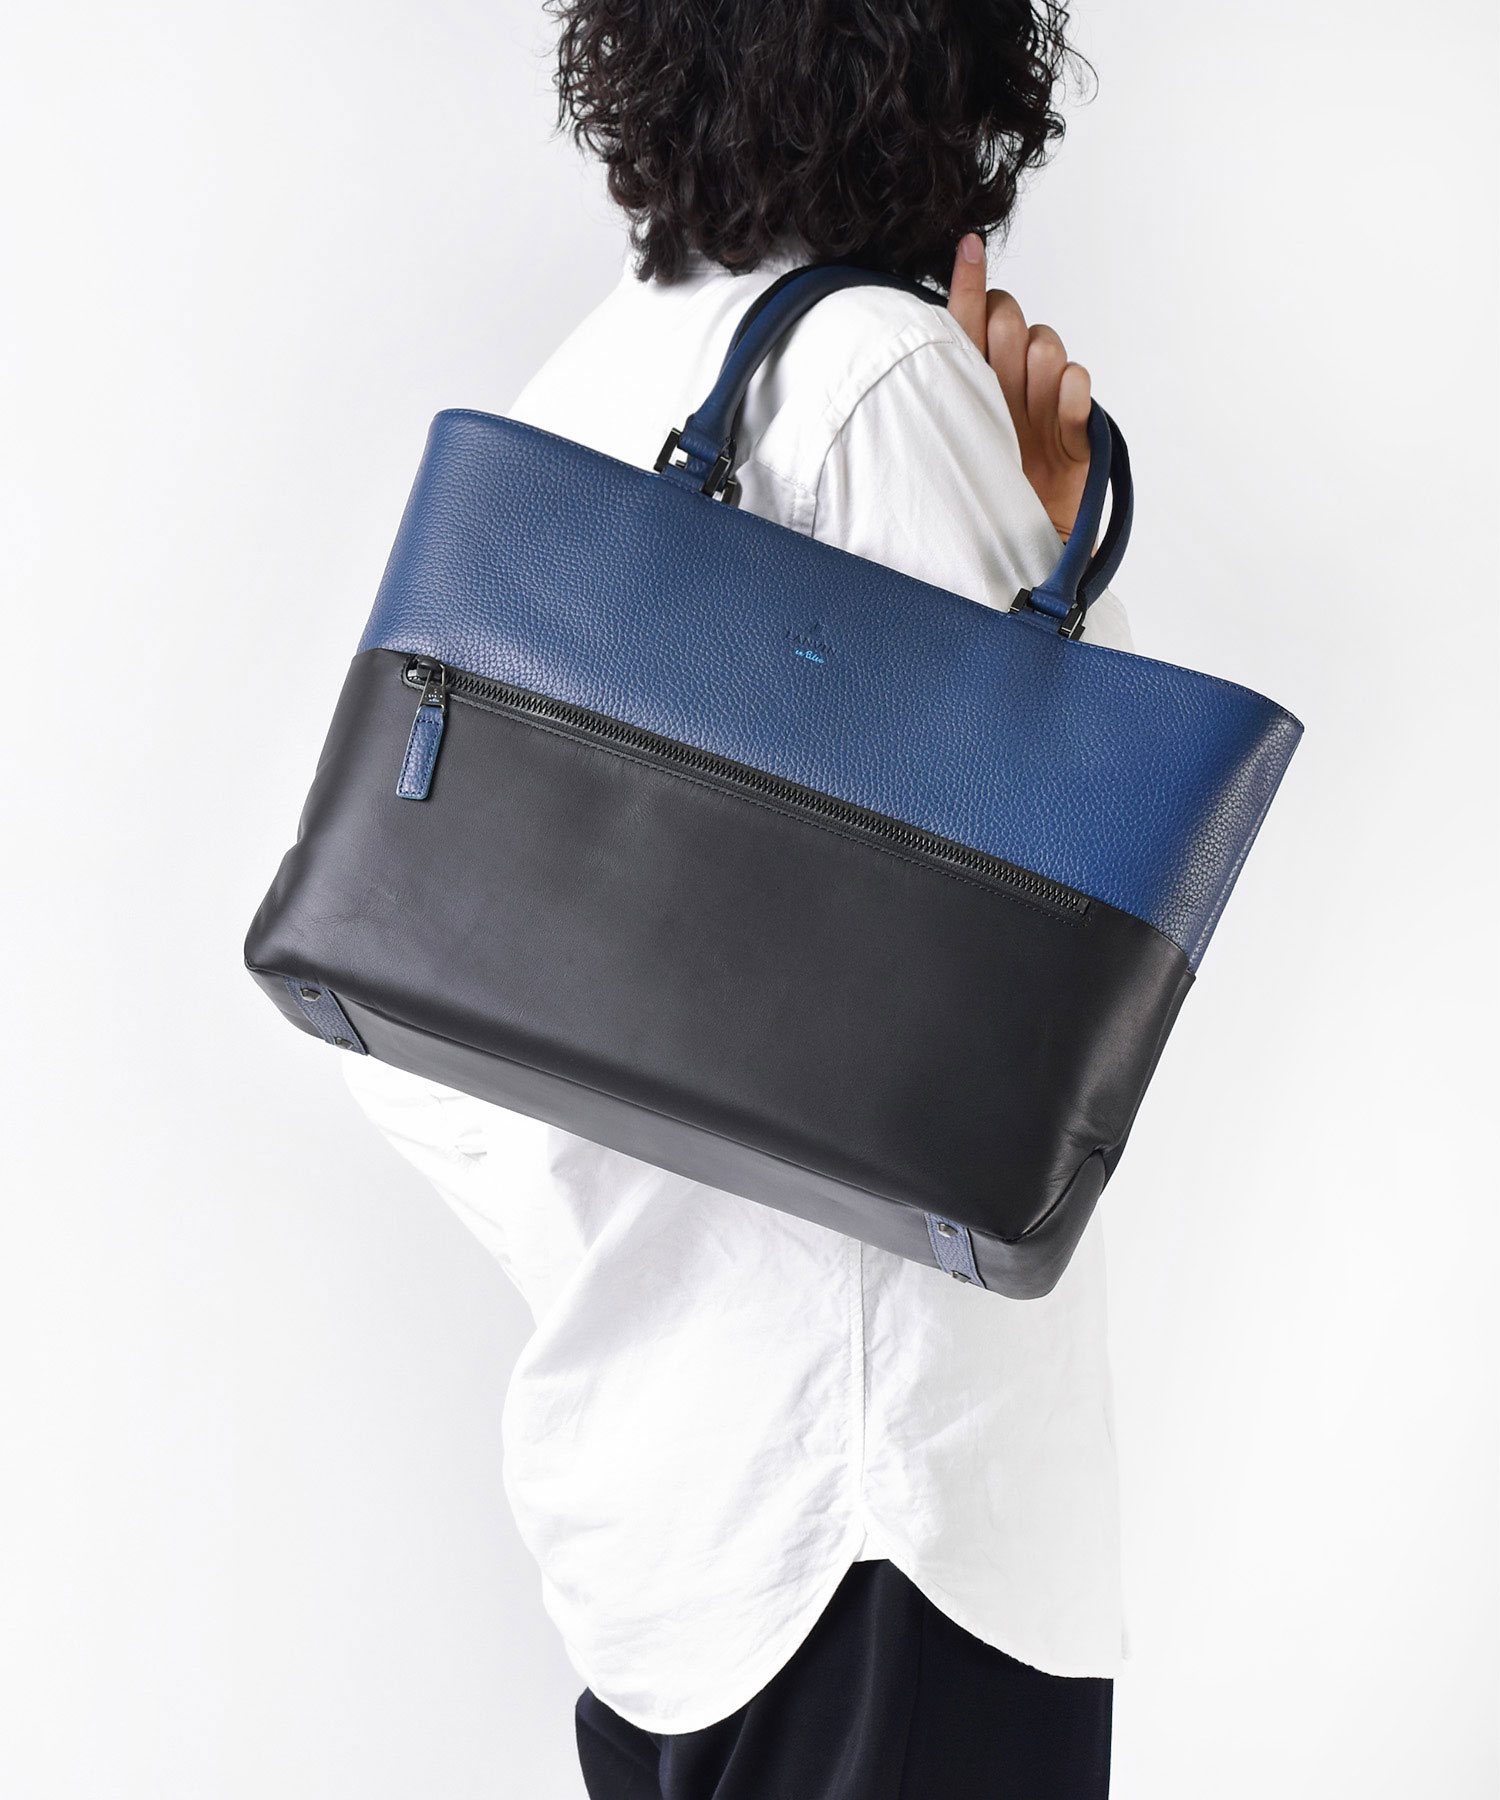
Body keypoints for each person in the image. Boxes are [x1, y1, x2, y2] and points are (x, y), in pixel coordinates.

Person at [344, 2, 1131, 1793]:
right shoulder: (882, 378)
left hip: (664, 1524)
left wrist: (626, 1228)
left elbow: (398, 991)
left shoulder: (587, 387)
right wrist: (1053, 538)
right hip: (887, 1515)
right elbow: (1058, 968)